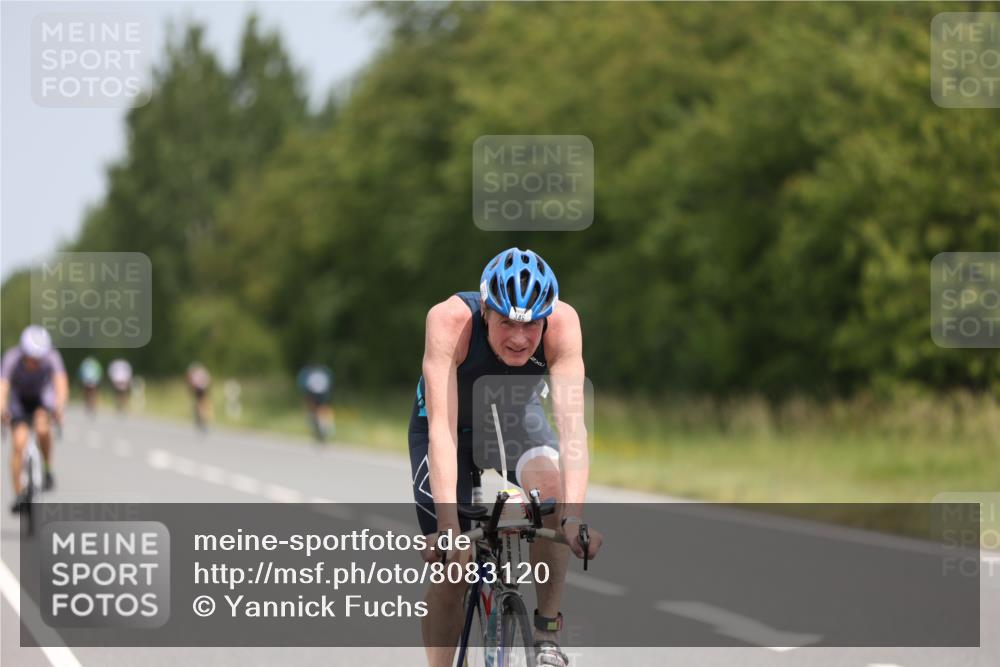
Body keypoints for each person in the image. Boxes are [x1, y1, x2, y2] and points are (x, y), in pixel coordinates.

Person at [409, 247, 603, 667]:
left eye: (531, 324)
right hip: (449, 426)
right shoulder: (449, 320)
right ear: (486, 313)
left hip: (515, 417)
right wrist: (447, 528)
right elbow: (441, 432)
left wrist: (572, 518)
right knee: (451, 571)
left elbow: (573, 430)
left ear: (546, 317)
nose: (519, 337)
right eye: (506, 323)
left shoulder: (564, 324)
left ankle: (546, 634)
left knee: (552, 496)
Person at [0, 325, 69, 511]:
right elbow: (3, 384)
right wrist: (2, 407)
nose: (34, 363)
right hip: (19, 400)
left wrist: (60, 407)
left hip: (42, 398)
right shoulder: (11, 357)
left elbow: (60, 382)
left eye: (38, 360)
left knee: (42, 428)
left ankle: (47, 468)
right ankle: (19, 494)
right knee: (19, 442)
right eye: (31, 359)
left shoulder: (52, 357)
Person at [296, 364, 335, 442]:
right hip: (323, 394)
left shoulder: (307, 373)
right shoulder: (324, 372)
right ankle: (325, 428)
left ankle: (320, 428)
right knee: (323, 410)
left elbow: (304, 386)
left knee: (312, 410)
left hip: (312, 395)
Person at [186, 361, 212, 431]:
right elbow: (208, 381)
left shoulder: (195, 373)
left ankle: (201, 418)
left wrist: (191, 389)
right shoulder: (203, 372)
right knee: (202, 403)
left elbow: (192, 382)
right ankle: (203, 418)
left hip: (198, 389)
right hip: (203, 389)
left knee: (199, 403)